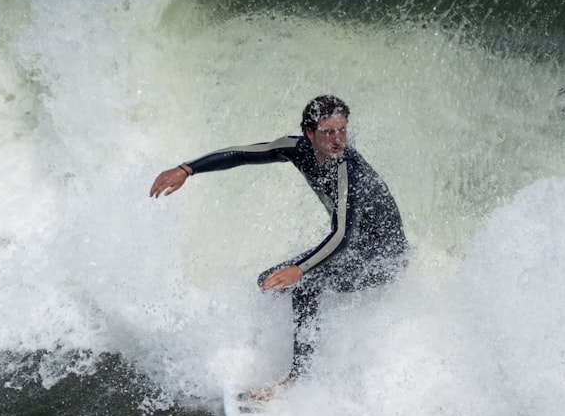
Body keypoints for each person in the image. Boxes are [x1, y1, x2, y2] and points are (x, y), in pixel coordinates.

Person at [150, 95, 408, 386]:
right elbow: (242, 155)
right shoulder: (297, 149)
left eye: (342, 130)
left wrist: (300, 269)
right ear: (310, 133)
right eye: (328, 132)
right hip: (352, 250)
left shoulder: (347, 170)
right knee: (269, 280)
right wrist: (187, 169)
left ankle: (299, 380)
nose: (338, 140)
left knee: (303, 282)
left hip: (385, 258)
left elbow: (341, 235)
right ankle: (278, 354)